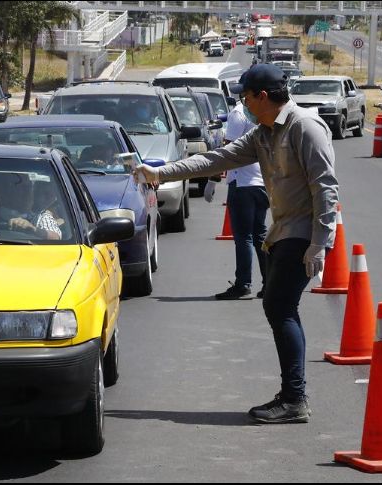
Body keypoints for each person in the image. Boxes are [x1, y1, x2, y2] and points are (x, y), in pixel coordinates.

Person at [133, 64, 339, 424]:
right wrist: (161, 172)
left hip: (304, 234)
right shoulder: (263, 134)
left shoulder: (305, 127)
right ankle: (293, 395)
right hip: (284, 231)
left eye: (245, 96)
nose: (242, 104)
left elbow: (325, 187)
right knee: (280, 308)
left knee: (279, 306)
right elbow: (216, 159)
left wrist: (320, 244)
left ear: (262, 96)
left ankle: (294, 398)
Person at [207, 98, 269, 301]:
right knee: (260, 233)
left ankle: (243, 284)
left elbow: (229, 151)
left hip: (243, 183)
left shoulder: (239, 113)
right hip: (263, 182)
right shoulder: (265, 113)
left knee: (244, 237)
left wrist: (213, 178)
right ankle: (269, 283)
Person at [0, 172, 61, 240]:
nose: (28, 191)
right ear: (2, 191)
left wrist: (33, 229)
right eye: (21, 187)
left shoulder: (41, 216)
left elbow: (56, 237)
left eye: (30, 186)